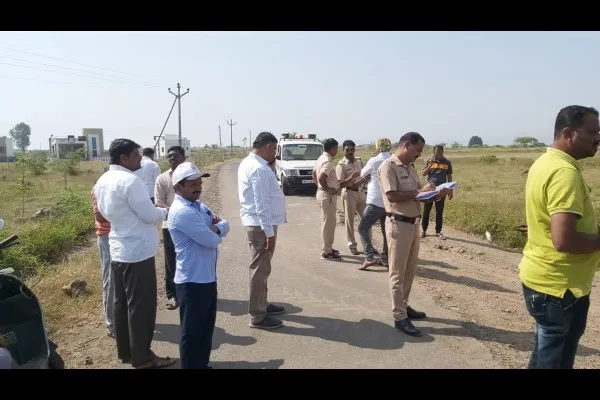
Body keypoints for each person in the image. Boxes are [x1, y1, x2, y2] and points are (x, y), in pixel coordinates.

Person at [519, 105, 600, 369]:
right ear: (568, 133)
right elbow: (564, 240)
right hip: (560, 288)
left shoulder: (545, 162)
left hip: (548, 282)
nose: (598, 138)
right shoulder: (564, 172)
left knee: (545, 355)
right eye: (592, 132)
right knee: (554, 361)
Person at [94, 138, 175, 369]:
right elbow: (149, 215)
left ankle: (127, 353)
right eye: (136, 155)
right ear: (124, 158)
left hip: (119, 249)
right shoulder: (131, 181)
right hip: (137, 253)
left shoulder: (102, 180)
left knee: (122, 305)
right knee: (141, 307)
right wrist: (168, 212)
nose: (141, 158)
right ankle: (143, 358)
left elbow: (103, 215)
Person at [378, 132, 450, 336]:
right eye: (417, 150)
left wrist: (436, 194)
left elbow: (419, 197)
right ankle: (399, 316)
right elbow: (392, 196)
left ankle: (404, 304)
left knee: (410, 271)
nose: (419, 154)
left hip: (413, 224)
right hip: (398, 224)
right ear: (406, 145)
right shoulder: (388, 167)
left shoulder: (410, 168)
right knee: (397, 273)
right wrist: (418, 192)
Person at [167, 162, 229, 369]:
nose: (198, 187)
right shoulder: (182, 212)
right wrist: (217, 230)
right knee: (192, 333)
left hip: (206, 277)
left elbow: (224, 223)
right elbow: (210, 240)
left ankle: (201, 365)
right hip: (192, 281)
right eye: (192, 184)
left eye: (199, 183)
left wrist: (217, 227)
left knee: (205, 329)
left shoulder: (199, 206)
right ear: (178, 187)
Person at [238, 132, 287, 330]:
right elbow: (261, 204)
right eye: (274, 149)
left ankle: (262, 304)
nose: (275, 153)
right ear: (267, 147)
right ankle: (258, 316)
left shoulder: (251, 163)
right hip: (261, 225)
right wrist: (269, 233)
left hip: (259, 224)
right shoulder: (258, 168)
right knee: (259, 270)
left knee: (262, 268)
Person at [155, 145, 187, 310]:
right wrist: (177, 212)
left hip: (189, 224)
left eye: (176, 156)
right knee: (171, 261)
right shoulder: (162, 179)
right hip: (170, 226)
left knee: (188, 259)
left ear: (184, 157)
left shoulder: (190, 176)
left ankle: (187, 293)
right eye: (170, 156)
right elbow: (159, 204)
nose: (172, 158)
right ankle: (172, 295)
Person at [313, 138, 356, 260]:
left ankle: (328, 247)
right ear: (332, 148)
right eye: (336, 148)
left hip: (323, 193)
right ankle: (326, 251)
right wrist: (327, 189)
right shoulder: (327, 161)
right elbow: (321, 177)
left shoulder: (321, 158)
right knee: (328, 224)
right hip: (327, 195)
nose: (337, 151)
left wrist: (320, 187)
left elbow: (314, 174)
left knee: (329, 223)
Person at [356, 137, 392, 270]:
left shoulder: (374, 161)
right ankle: (385, 258)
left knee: (362, 228)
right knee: (385, 230)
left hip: (375, 200)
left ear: (377, 147)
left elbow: (362, 174)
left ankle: (369, 257)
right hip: (389, 201)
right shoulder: (393, 160)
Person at [91, 167, 114, 338]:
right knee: (110, 279)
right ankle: (111, 323)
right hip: (107, 237)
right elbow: (99, 216)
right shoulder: (99, 187)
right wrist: (125, 217)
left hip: (122, 237)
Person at [336, 140, 366, 255]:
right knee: (350, 221)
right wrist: (351, 178)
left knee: (366, 219)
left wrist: (363, 180)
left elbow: (364, 175)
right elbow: (340, 184)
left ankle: (367, 246)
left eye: (352, 149)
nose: (350, 152)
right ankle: (352, 245)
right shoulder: (341, 165)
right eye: (347, 150)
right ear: (343, 150)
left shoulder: (359, 162)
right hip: (349, 193)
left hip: (361, 193)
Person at [421, 145, 453, 240]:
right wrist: (430, 165)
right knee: (426, 210)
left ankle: (438, 231)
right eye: (436, 152)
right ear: (433, 152)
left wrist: (451, 190)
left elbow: (449, 177)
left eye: (439, 152)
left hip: (441, 191)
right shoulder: (429, 161)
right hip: (430, 190)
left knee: (439, 211)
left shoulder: (447, 162)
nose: (438, 154)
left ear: (443, 152)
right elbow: (423, 174)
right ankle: (424, 230)